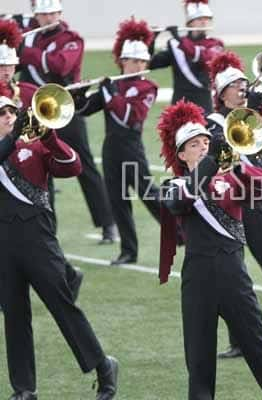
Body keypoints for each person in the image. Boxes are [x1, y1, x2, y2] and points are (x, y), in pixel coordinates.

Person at [157, 100, 262, 400]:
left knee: (260, 349)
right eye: (194, 145)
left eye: (206, 143)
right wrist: (211, 163)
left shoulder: (232, 178)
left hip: (232, 274)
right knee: (199, 361)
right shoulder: (174, 184)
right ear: (181, 154)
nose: (202, 148)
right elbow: (178, 203)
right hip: (196, 277)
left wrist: (237, 161)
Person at [0, 93, 118, 400]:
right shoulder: (9, 145)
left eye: (12, 111)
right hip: (3, 245)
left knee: (63, 306)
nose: (9, 116)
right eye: (2, 113)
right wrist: (13, 138)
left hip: (38, 241)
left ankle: (104, 366)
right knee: (14, 316)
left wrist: (50, 137)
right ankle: (24, 388)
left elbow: (73, 167)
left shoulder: (33, 145)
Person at [206, 50, 262, 359]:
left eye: (243, 85)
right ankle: (239, 339)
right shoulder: (212, 121)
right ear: (222, 94)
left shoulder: (256, 114)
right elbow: (213, 148)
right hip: (226, 200)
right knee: (231, 272)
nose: (242, 90)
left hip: (254, 196)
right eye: (235, 86)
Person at [18, 0, 117, 243]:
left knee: (84, 166)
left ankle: (107, 224)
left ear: (60, 14)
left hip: (63, 108)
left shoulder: (71, 39)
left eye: (52, 13)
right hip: (34, 111)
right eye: (43, 14)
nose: (48, 18)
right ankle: (46, 226)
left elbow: (60, 66)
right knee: (37, 166)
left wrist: (26, 52)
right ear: (36, 16)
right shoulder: (27, 37)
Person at [75, 18, 161, 265]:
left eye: (143, 61)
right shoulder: (112, 85)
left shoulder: (148, 88)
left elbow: (129, 117)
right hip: (111, 149)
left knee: (148, 194)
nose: (139, 64)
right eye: (135, 60)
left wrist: (109, 93)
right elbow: (86, 110)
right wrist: (79, 96)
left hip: (131, 149)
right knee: (118, 201)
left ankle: (180, 230)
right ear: (123, 61)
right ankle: (129, 251)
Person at [149, 0, 224, 111]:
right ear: (190, 23)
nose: (204, 22)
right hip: (180, 102)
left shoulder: (215, 44)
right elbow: (151, 64)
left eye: (207, 19)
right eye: (199, 19)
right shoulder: (174, 44)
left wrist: (179, 40)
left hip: (203, 102)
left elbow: (204, 58)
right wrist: (152, 40)